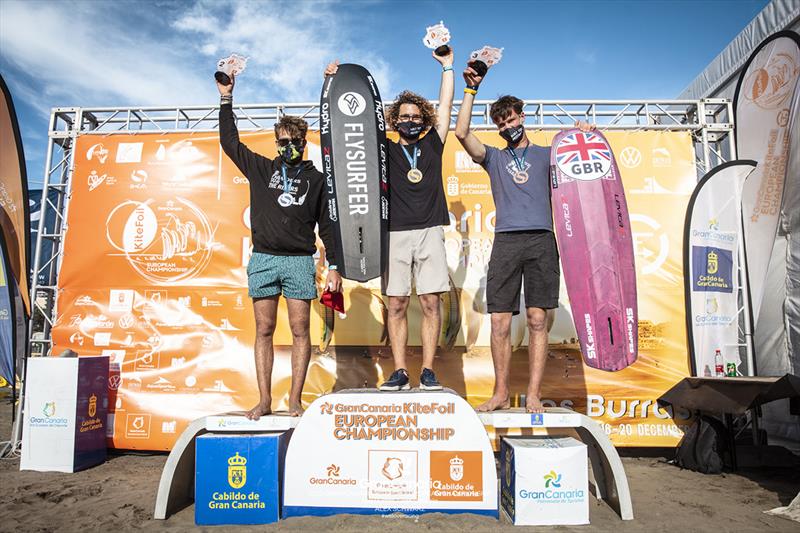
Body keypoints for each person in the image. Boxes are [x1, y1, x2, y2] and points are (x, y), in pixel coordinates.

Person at [454, 63, 594, 413]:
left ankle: (533, 394)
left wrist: (585, 133)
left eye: (512, 119)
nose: (508, 127)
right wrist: (471, 90)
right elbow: (460, 132)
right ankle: (500, 393)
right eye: (501, 123)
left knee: (536, 320)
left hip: (542, 241)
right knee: (500, 320)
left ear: (522, 117)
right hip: (506, 241)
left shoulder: (549, 155)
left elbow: (585, 167)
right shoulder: (494, 158)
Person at [324, 49, 455, 392]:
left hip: (429, 230)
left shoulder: (432, 144)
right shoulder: (382, 148)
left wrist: (447, 68)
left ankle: (427, 371)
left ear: (423, 121)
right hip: (393, 233)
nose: (410, 120)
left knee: (430, 301)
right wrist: (330, 83)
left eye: (415, 116)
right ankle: (399, 371)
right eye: (404, 116)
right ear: (394, 120)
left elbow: (446, 106)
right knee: (396, 303)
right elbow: (343, 125)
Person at [217, 73, 342, 419]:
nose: (289, 147)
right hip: (264, 259)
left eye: (295, 141)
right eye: (283, 141)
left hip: (300, 261)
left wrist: (334, 266)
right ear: (276, 143)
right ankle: (264, 400)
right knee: (264, 330)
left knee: (301, 331)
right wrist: (226, 100)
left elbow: (328, 226)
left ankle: (295, 400)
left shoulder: (317, 179)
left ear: (304, 142)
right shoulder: (261, 168)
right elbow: (230, 144)